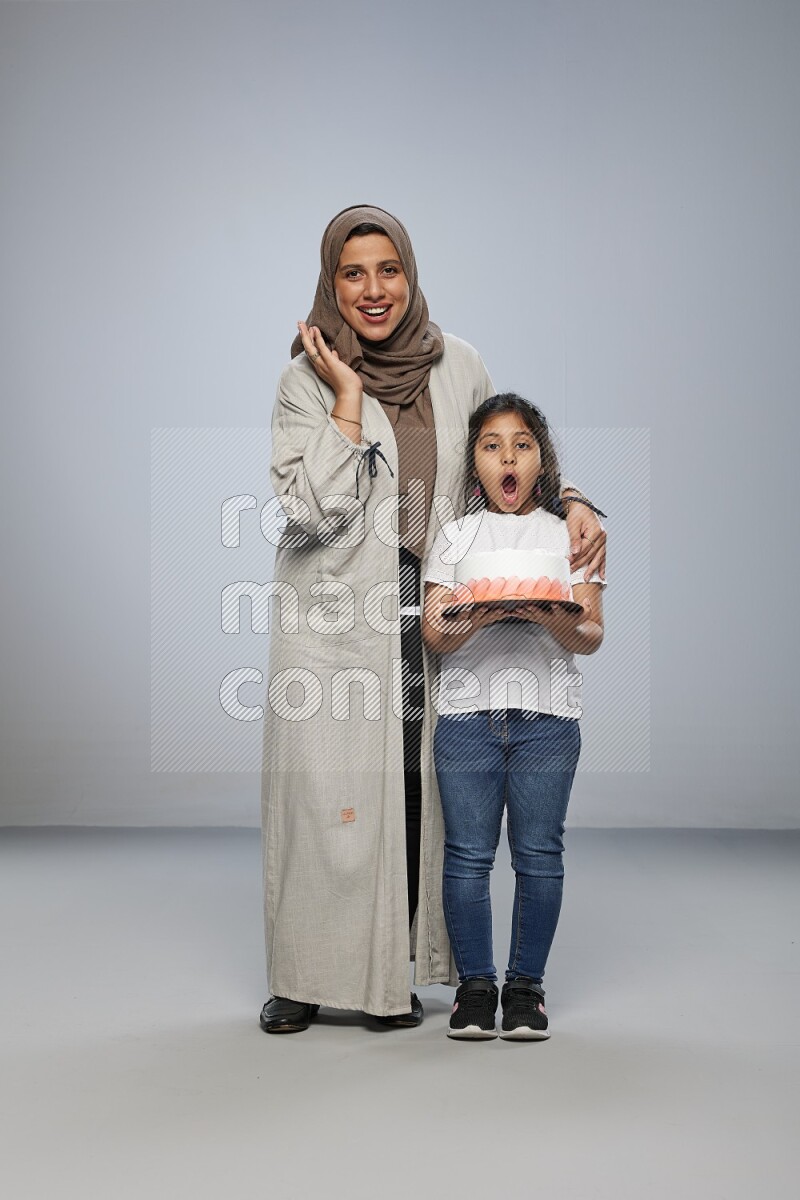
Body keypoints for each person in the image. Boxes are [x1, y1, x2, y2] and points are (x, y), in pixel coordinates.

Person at [259, 206, 607, 1033]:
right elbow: (309, 509)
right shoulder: (304, 379)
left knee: (413, 796)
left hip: (439, 606)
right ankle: (303, 978)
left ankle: (388, 977)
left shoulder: (461, 364)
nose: (374, 290)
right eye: (353, 273)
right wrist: (347, 396)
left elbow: (508, 457)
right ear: (330, 284)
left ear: (410, 275)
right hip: (333, 612)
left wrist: (575, 498)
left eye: (389, 270)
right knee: (322, 798)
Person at [422, 392, 606, 1040]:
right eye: (492, 444)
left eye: (522, 444)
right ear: (476, 463)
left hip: (548, 719)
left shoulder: (569, 535)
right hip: (467, 716)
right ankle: (475, 987)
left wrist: (545, 613)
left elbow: (591, 635)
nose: (508, 456)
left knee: (539, 855)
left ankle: (525, 988)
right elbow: (436, 637)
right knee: (468, 857)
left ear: (541, 460)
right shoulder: (454, 536)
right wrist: (472, 616)